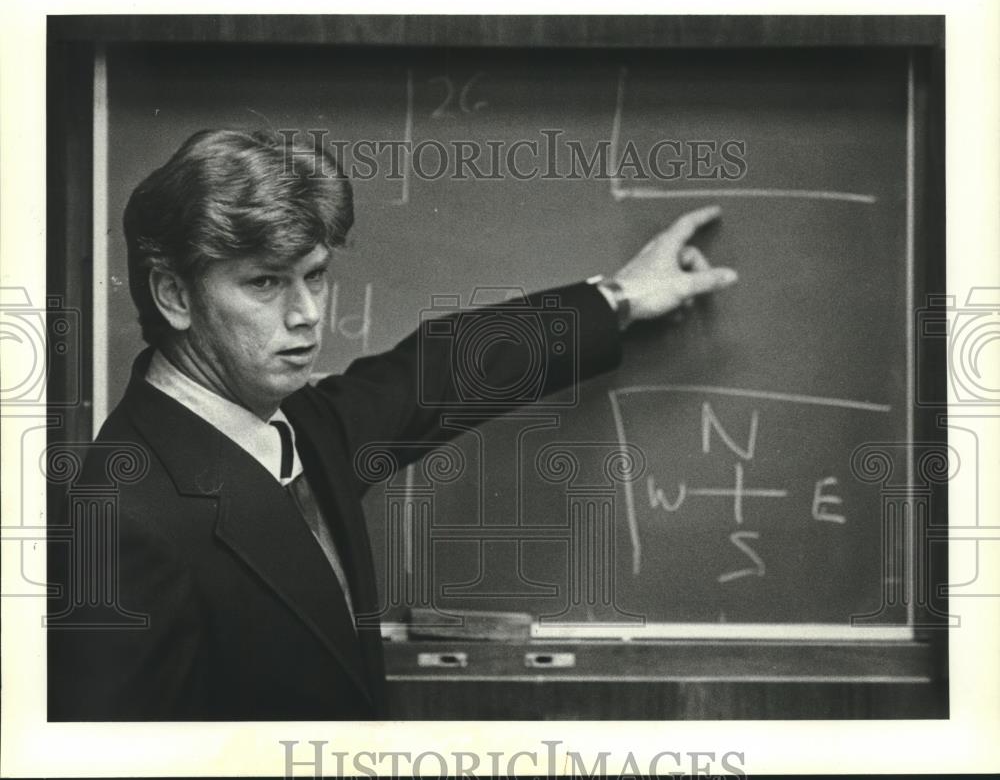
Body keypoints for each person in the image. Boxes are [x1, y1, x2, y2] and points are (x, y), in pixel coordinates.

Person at [47, 129, 737, 721]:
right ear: (173, 294)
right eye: (264, 283)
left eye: (315, 276)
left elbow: (435, 375)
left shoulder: (291, 427)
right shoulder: (122, 520)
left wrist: (617, 297)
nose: (307, 313)